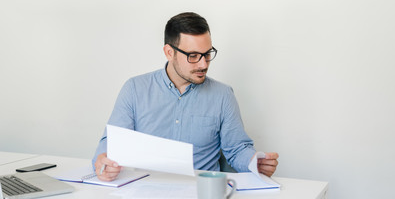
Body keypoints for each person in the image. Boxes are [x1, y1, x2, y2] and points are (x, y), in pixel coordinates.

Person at [92, 12, 279, 181]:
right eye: (193, 55)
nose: (203, 64)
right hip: (145, 189)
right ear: (169, 52)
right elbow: (112, 143)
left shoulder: (223, 95)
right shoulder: (135, 89)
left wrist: (254, 162)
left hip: (201, 191)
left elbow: (237, 149)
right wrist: (103, 161)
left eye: (207, 54)